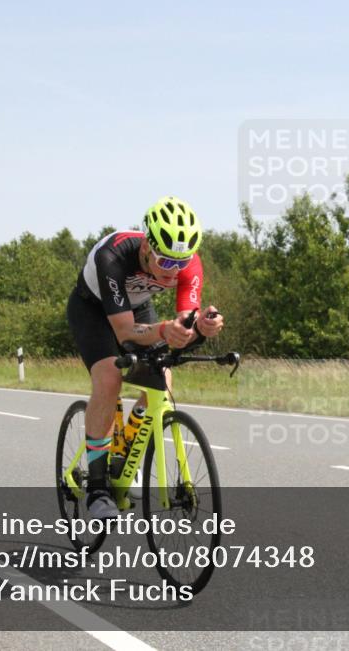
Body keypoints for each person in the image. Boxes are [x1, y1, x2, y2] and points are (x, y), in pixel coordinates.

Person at [66, 197, 224, 519]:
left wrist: (202, 327)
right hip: (93, 310)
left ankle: (125, 454)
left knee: (162, 378)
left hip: (137, 307)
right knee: (110, 377)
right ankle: (97, 488)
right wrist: (164, 330)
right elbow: (124, 333)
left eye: (180, 264)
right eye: (165, 263)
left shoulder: (187, 263)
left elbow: (184, 322)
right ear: (146, 248)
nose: (173, 273)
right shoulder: (113, 255)